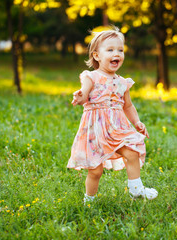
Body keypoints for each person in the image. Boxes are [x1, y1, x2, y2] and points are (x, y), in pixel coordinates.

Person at [67, 26, 158, 203]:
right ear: (96, 56)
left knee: (132, 152)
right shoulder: (90, 77)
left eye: (120, 50)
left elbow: (128, 106)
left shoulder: (122, 82)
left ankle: (136, 188)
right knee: (95, 171)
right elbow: (84, 94)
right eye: (110, 50)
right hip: (95, 131)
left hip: (117, 129)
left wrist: (137, 122)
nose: (116, 53)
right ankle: (89, 201)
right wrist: (80, 97)